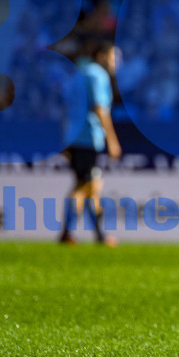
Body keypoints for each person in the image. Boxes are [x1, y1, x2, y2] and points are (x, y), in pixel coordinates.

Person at [59, 42, 122, 247]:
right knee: (86, 185)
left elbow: (67, 107)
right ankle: (66, 232)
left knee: (91, 187)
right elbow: (100, 109)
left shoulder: (79, 73)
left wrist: (65, 138)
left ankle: (99, 235)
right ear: (102, 55)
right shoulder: (97, 76)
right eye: (113, 57)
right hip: (88, 138)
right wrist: (112, 140)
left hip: (75, 136)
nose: (116, 63)